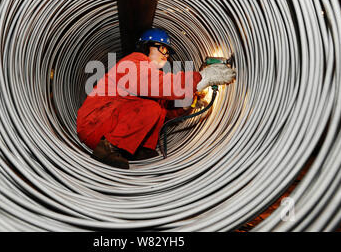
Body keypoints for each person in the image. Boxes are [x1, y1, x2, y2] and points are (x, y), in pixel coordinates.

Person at [77, 28, 235, 169]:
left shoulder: (153, 76)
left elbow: (165, 112)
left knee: (157, 109)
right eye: (162, 48)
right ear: (146, 46)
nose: (166, 55)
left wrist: (187, 103)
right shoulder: (133, 62)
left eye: (167, 52)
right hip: (95, 125)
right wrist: (202, 78)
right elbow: (155, 85)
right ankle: (107, 149)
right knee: (151, 108)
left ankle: (140, 149)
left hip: (108, 126)